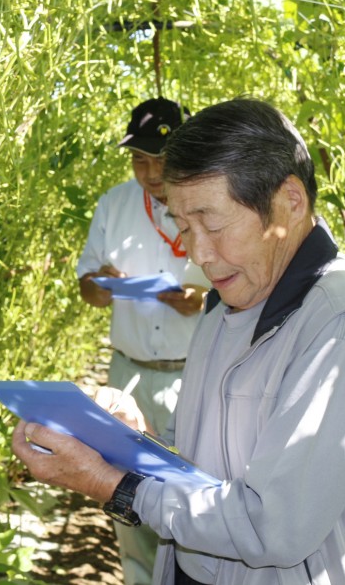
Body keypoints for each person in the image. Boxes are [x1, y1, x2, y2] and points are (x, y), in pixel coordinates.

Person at [14, 98, 345, 584]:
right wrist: (129, 438)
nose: (200, 254)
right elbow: (201, 456)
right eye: (184, 228)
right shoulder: (227, 309)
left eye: (212, 223)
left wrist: (115, 485)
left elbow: (270, 525)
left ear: (289, 202)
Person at [75, 97, 209, 585]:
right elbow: (88, 293)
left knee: (186, 501)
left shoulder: (210, 202)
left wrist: (202, 300)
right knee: (124, 495)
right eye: (139, 159)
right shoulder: (114, 205)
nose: (151, 172)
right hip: (126, 376)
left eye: (162, 158)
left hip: (190, 376)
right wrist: (102, 283)